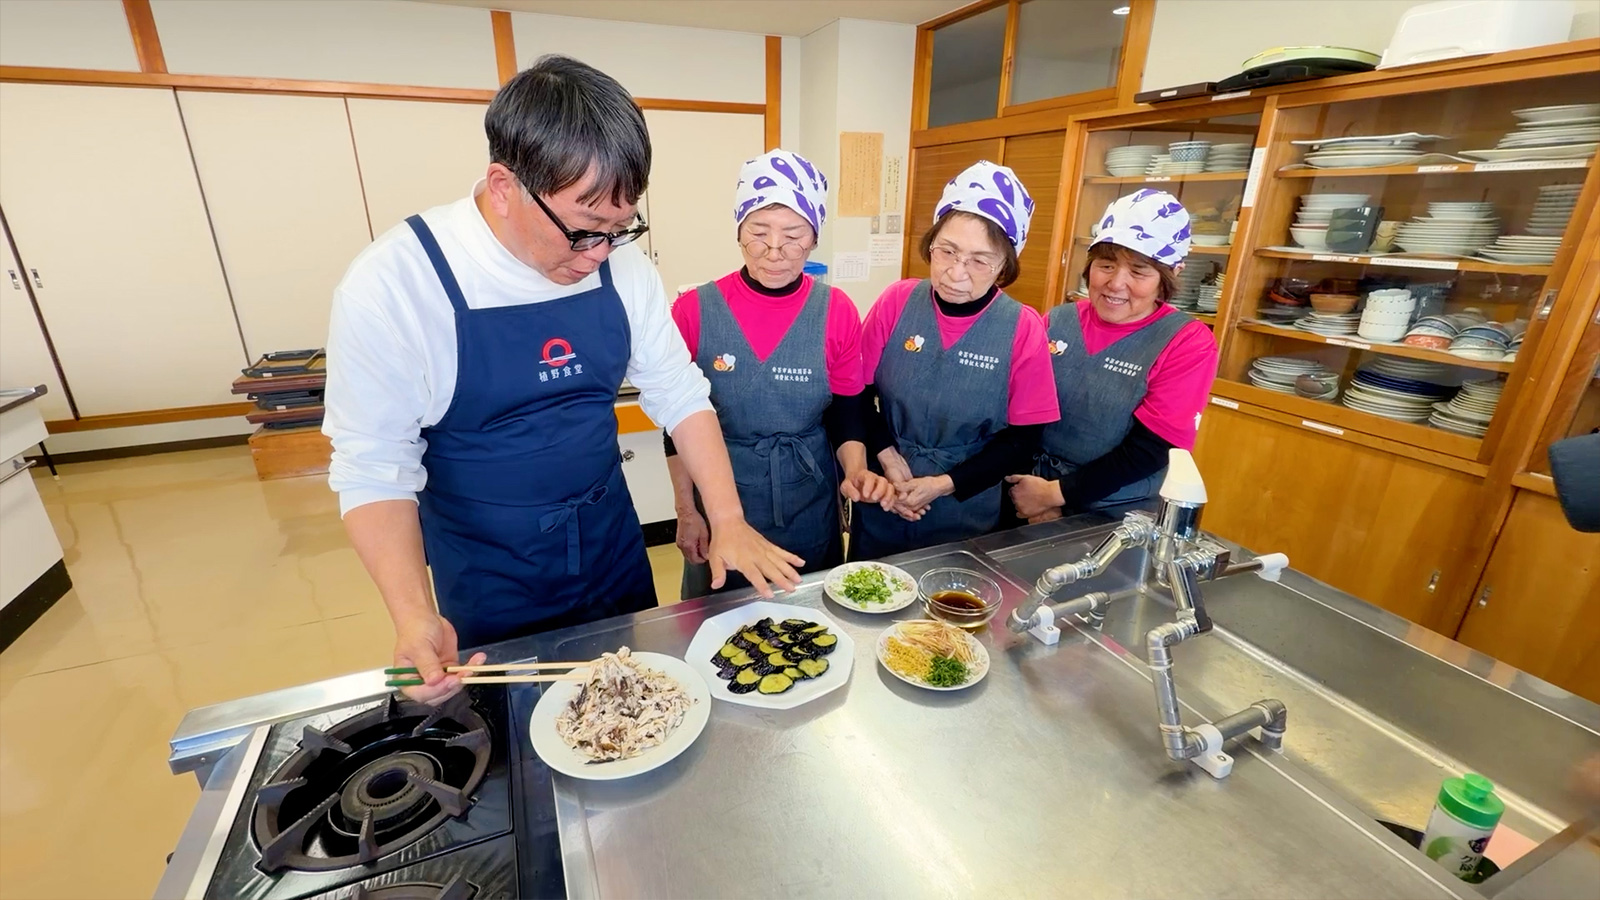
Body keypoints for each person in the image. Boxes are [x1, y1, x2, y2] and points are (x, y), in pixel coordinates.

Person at [323, 55, 801, 702]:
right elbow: (375, 467)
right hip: (492, 570)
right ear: (504, 187)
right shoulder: (397, 284)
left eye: (619, 228)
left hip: (611, 546)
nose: (601, 253)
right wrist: (412, 616)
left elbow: (680, 393)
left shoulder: (622, 268)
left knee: (637, 709)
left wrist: (729, 518)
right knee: (520, 729)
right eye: (584, 230)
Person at [666, 150, 894, 597]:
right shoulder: (694, 310)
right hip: (722, 497)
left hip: (809, 495)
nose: (774, 252)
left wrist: (854, 470)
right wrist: (687, 511)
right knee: (720, 617)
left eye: (793, 236)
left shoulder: (836, 310)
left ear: (814, 238)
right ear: (738, 231)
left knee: (810, 612)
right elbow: (676, 425)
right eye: (758, 233)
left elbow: (846, 408)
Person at [851, 161, 1060, 560]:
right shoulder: (897, 301)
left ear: (1004, 266)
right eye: (946, 251)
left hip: (965, 502)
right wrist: (888, 458)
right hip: (885, 490)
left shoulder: (1022, 327)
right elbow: (857, 394)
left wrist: (943, 483)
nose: (955, 272)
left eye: (980, 260)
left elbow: (1024, 439)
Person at [1007, 189, 1219, 522]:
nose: (1116, 283)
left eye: (1138, 271)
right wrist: (1030, 494)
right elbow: (1017, 409)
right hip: (1027, 491)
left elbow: (1153, 448)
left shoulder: (1187, 342)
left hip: (1115, 510)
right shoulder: (1057, 321)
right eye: (1106, 265)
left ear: (1171, 274)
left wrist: (1054, 495)